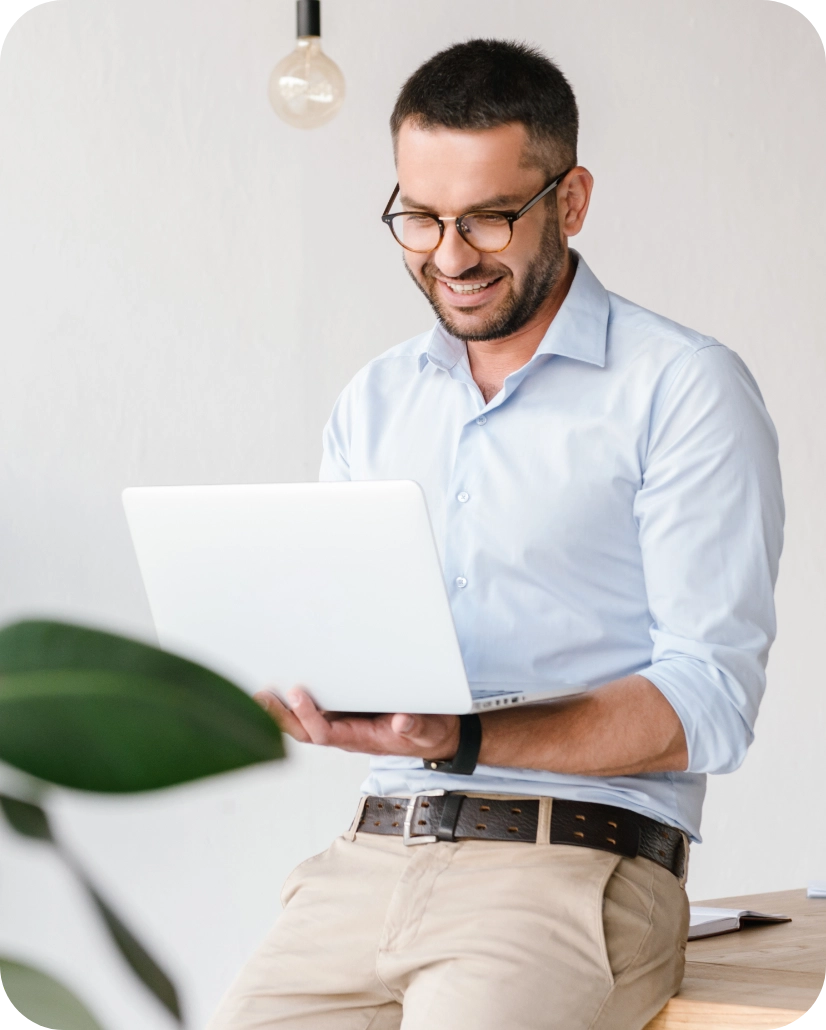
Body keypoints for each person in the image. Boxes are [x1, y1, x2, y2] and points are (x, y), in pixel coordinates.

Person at [208, 38, 783, 1030]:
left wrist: (467, 737)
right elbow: (349, 636)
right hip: (364, 863)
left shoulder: (681, 387)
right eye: (419, 218)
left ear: (569, 201)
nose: (449, 254)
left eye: (486, 217)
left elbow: (710, 695)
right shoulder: (376, 399)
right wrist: (303, 682)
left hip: (570, 869)